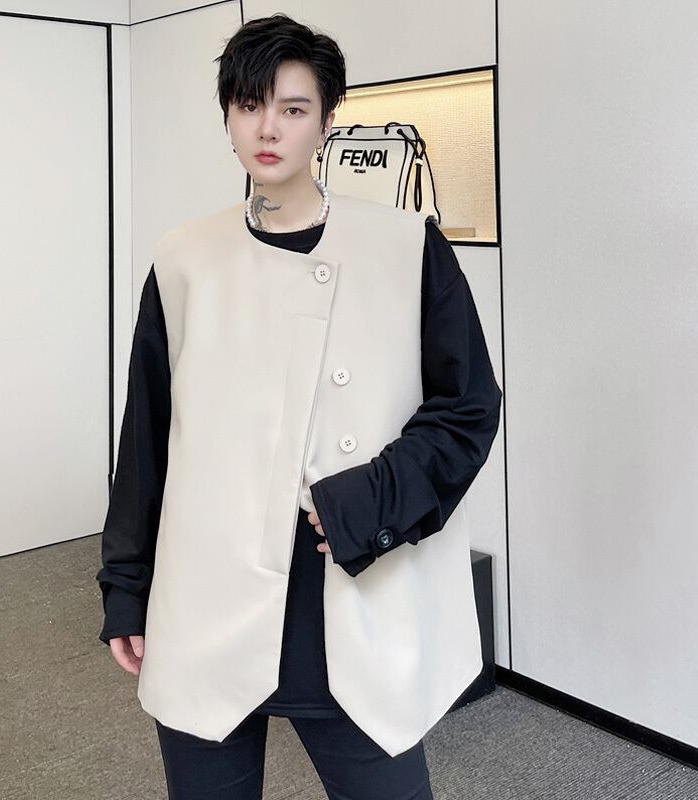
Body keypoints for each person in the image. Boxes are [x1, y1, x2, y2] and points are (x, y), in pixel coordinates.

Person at [96, 13, 502, 799]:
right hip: (207, 596)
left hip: (352, 591)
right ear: (227, 117)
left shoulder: (406, 244)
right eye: (250, 106)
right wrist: (126, 587)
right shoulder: (184, 259)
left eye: (293, 108)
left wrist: (364, 501)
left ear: (326, 118)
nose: (268, 129)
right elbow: (146, 441)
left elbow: (468, 408)